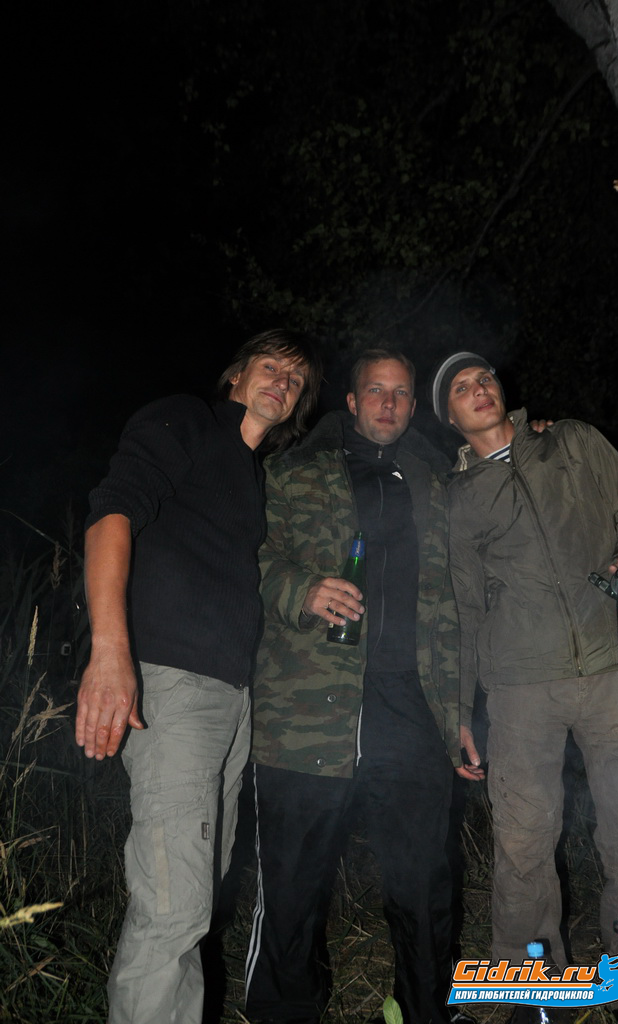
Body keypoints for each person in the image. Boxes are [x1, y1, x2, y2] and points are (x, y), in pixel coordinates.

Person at [75, 329, 322, 1024]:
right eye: (270, 366)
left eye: (296, 380)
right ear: (236, 375)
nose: (282, 382)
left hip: (229, 699)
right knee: (173, 909)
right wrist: (110, 653)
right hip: (172, 684)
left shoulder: (251, 473)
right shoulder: (184, 418)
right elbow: (110, 517)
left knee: (195, 900)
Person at [431, 351, 618, 1021]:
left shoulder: (572, 441)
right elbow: (461, 607)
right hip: (519, 689)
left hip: (614, 668)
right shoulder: (455, 498)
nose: (479, 389)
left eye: (484, 377)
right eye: (461, 388)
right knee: (522, 844)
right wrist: (460, 709)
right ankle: (534, 991)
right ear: (449, 416)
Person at [245, 349, 484, 1024]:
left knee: (423, 881)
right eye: (375, 390)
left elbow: (453, 603)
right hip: (306, 706)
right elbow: (247, 553)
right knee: (292, 883)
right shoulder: (291, 472)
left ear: (412, 406)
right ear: (350, 402)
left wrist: (455, 713)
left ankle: (426, 1011)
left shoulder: (437, 484)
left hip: (409, 707)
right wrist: (300, 588)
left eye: (401, 393)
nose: (388, 402)